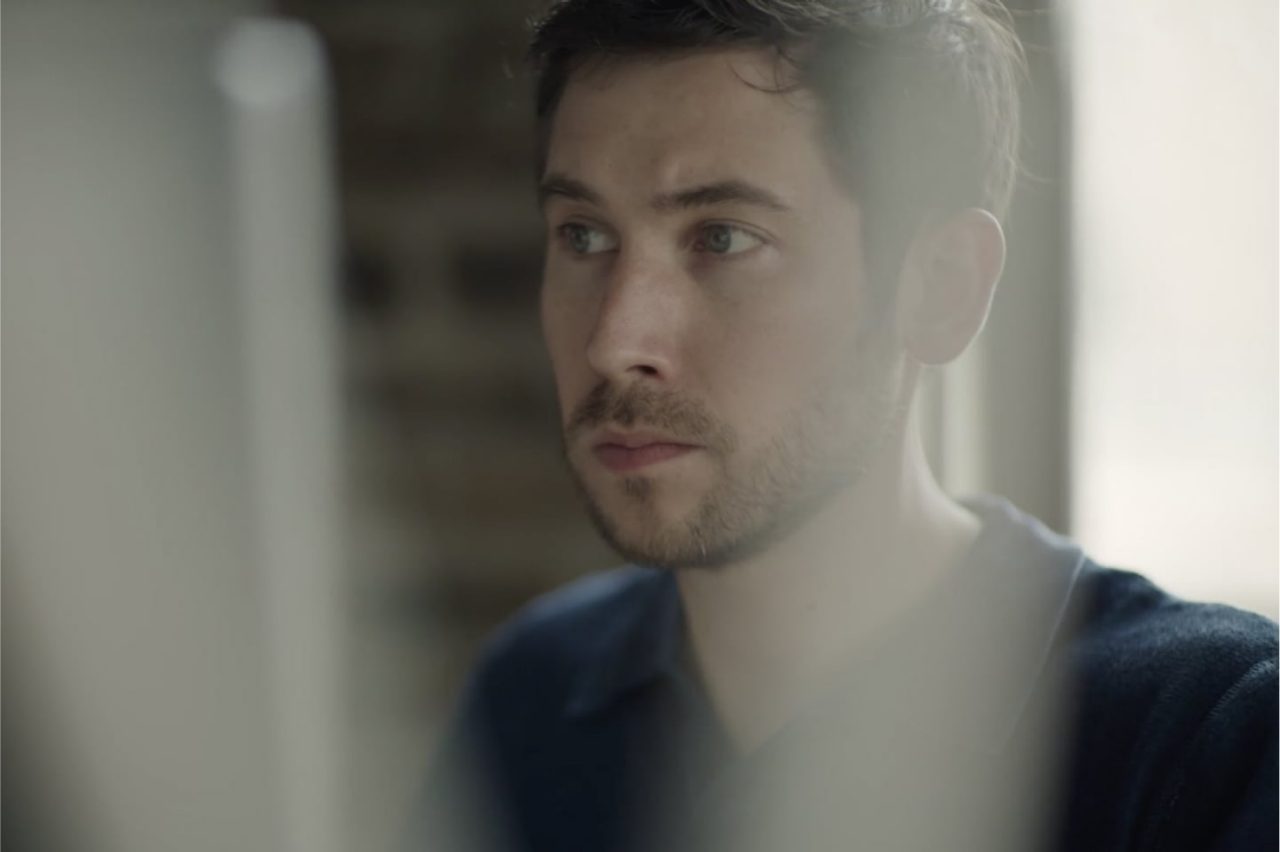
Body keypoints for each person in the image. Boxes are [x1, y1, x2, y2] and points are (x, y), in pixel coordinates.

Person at [415, 2, 1278, 850]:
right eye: (583, 236)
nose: (614, 342)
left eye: (722, 239)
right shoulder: (530, 701)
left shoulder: (1202, 736)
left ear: (941, 288)